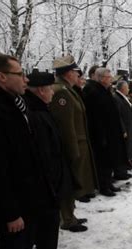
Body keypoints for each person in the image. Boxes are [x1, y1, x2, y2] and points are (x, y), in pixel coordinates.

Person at [0, 54, 58, 249]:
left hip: (28, 197)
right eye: (20, 74)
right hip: (14, 203)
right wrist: (10, 212)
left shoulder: (15, 103)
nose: (26, 79)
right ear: (1, 76)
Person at [24, 70, 72, 249]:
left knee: (51, 220)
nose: (53, 92)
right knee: (47, 220)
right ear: (41, 90)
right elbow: (43, 151)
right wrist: (52, 178)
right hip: (46, 179)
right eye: (50, 88)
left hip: (52, 176)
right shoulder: (35, 114)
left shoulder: (41, 109)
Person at [49, 55, 95, 232]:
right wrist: (72, 150)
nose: (79, 76)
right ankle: (67, 218)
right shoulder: (61, 91)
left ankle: (71, 215)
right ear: (68, 73)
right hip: (72, 145)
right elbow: (66, 125)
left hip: (78, 143)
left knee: (75, 181)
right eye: (76, 72)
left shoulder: (68, 89)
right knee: (69, 183)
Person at [83, 68, 127, 196]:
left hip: (110, 131)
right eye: (108, 77)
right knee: (103, 161)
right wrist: (101, 135)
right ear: (101, 78)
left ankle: (108, 183)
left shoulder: (104, 90)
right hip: (101, 133)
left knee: (109, 159)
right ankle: (103, 185)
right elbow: (95, 116)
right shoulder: (93, 91)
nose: (111, 78)